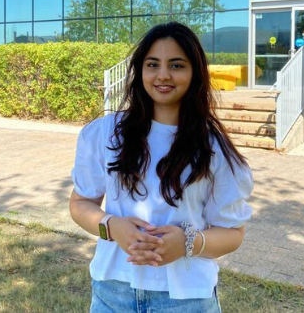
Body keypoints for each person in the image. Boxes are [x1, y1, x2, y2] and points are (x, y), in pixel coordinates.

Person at [69, 22, 253, 312]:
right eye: (152, 64)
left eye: (177, 65)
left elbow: (233, 233)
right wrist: (112, 227)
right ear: (140, 70)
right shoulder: (105, 133)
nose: (163, 75)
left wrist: (188, 243)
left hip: (186, 300)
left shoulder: (213, 148)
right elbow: (80, 203)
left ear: (195, 74)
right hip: (112, 293)